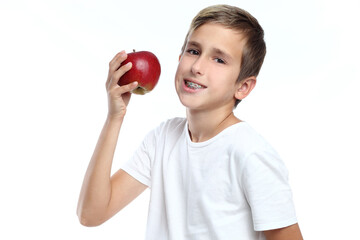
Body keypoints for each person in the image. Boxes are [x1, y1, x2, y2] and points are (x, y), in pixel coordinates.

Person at [77, 4, 303, 240]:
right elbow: (91, 214)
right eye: (194, 51)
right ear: (180, 57)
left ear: (243, 86)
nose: (197, 67)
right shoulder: (163, 139)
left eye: (219, 59)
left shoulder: (251, 154)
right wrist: (115, 117)